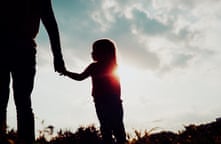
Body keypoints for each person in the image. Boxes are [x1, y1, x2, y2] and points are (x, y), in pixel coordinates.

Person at [0, 0, 66, 143]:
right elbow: (51, 25)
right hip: (19, 49)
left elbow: (51, 24)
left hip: (17, 48)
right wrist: (58, 56)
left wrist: (58, 56)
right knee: (21, 102)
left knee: (15, 101)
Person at [63, 39, 127, 144]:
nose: (92, 53)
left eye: (94, 50)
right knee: (117, 128)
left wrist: (66, 72)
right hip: (112, 102)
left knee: (107, 129)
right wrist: (67, 73)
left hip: (104, 102)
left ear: (103, 52)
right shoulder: (113, 67)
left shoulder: (95, 67)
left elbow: (80, 77)